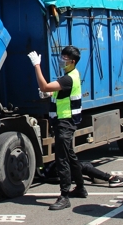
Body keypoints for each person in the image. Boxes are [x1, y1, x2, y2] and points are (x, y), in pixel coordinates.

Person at [28, 46, 88, 211]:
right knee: (70, 155)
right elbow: (59, 94)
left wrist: (36, 66)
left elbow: (45, 86)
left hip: (65, 122)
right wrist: (50, 95)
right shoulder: (71, 75)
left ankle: (64, 196)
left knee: (62, 158)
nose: (62, 60)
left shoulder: (69, 78)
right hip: (66, 121)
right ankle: (81, 188)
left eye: (65, 58)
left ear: (72, 61)